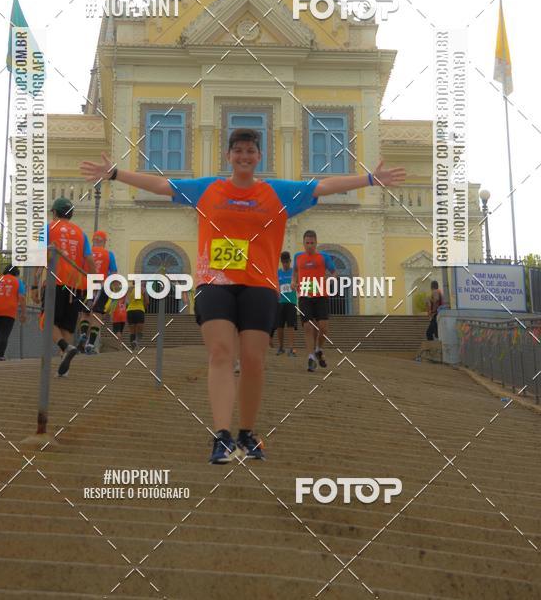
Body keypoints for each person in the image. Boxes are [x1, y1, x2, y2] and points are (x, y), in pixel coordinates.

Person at [81, 130, 405, 463]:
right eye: (238, 151)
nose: (244, 156)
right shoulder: (209, 188)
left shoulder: (277, 192)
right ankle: (221, 437)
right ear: (229, 156)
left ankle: (247, 434)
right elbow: (163, 186)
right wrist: (116, 174)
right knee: (221, 353)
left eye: (250, 151)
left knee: (253, 361)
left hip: (260, 287)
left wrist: (369, 179)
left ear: (258, 157)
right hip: (214, 283)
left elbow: (322, 186)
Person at [31, 197, 96, 377]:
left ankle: (66, 347)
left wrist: (34, 285)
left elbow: (40, 257)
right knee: (67, 326)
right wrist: (93, 286)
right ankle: (64, 368)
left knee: (47, 320)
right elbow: (90, 261)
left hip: (55, 282)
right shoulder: (81, 233)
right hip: (76, 285)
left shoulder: (47, 228)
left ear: (54, 212)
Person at [293, 231, 335, 371]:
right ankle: (311, 357)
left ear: (316, 243)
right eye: (307, 243)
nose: (309, 246)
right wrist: (294, 282)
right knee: (308, 326)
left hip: (321, 294)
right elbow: (295, 271)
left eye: (312, 243)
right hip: (305, 295)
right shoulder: (297, 257)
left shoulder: (324, 257)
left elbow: (334, 272)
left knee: (323, 327)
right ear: (303, 243)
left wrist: (331, 278)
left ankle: (318, 349)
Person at [77, 230, 118, 354]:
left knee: (85, 314)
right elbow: (114, 273)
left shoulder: (86, 253)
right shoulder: (109, 254)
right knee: (97, 316)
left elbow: (78, 268)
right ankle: (90, 344)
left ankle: (83, 333)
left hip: (85, 284)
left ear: (93, 240)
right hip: (102, 286)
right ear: (104, 242)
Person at [0, 265, 27, 360]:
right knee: (4, 332)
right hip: (9, 310)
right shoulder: (18, 282)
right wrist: (23, 313)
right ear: (16, 273)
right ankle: (0, 354)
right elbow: (22, 297)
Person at [276, 251, 298, 356]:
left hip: (291, 302)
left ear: (290, 261)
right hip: (280, 302)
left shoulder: (294, 272)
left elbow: (299, 284)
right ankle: (280, 347)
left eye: (287, 262)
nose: (286, 264)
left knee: (291, 325)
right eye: (284, 262)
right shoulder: (278, 272)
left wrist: (296, 285)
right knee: (279, 325)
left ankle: (291, 348)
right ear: (281, 262)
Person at [126, 284, 146, 350]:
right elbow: (147, 302)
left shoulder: (129, 289)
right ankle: (136, 342)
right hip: (139, 310)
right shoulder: (143, 289)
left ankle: (132, 347)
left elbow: (127, 301)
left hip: (129, 310)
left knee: (132, 331)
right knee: (140, 331)